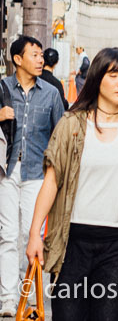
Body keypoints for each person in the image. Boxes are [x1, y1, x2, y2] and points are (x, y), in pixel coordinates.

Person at [25, 47, 118, 321]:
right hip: (73, 241)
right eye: (114, 75)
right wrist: (35, 233)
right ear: (97, 77)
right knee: (68, 316)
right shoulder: (72, 125)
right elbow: (52, 181)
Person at [0, 35, 65, 315]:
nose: (41, 60)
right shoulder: (1, 89)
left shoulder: (51, 93)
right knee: (7, 236)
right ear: (17, 59)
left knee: (32, 235)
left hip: (38, 173)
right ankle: (7, 300)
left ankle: (31, 297)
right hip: (5, 171)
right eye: (35, 54)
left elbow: (60, 135)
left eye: (41, 55)